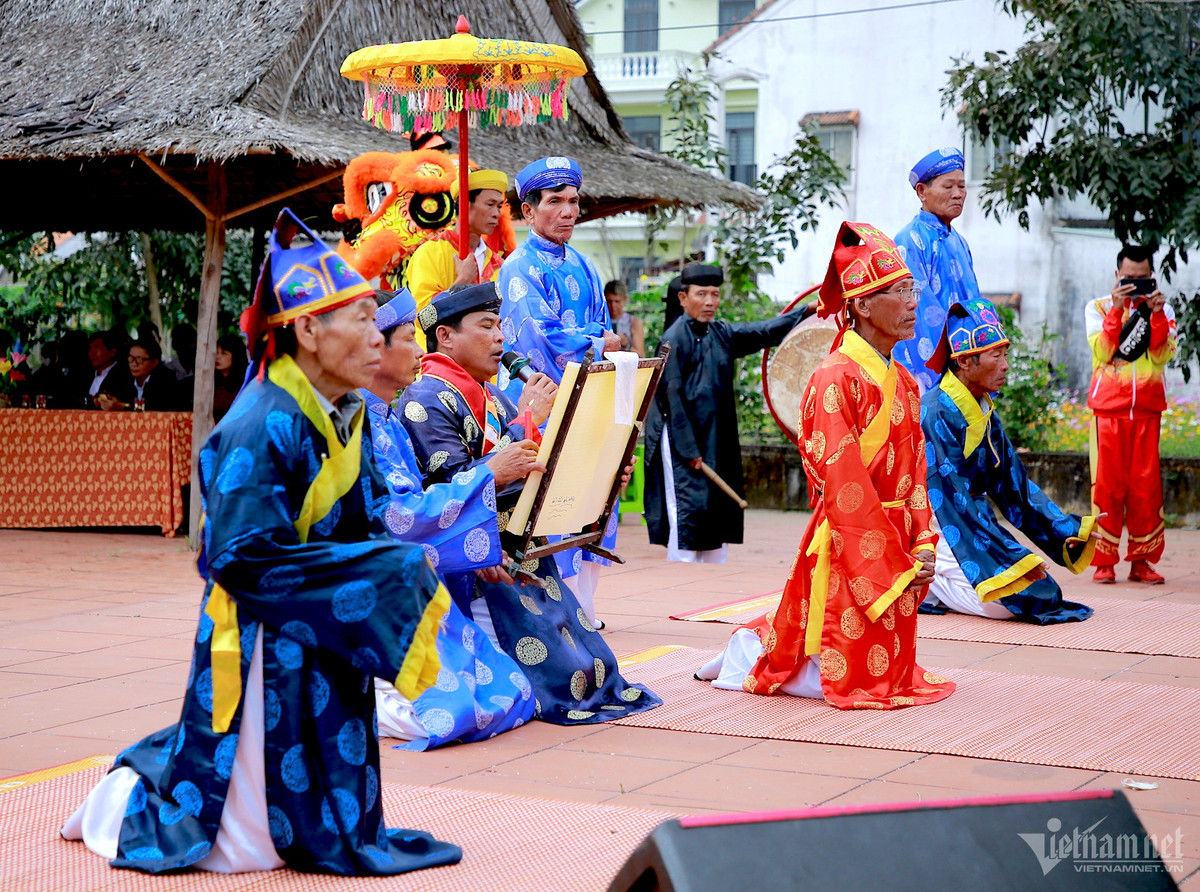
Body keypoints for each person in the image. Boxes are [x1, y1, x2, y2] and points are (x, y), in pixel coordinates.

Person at [61, 209, 461, 877]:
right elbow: (239, 557)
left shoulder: (346, 412)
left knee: (316, 803)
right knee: (240, 842)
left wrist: (390, 561)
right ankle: (117, 802)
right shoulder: (259, 422)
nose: (379, 337)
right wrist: (378, 573)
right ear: (308, 330)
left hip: (319, 623)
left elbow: (367, 518)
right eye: (362, 320)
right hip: (259, 639)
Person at [697, 222, 956, 710]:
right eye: (899, 292)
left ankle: (763, 644)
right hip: (851, 540)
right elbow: (843, 485)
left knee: (888, 672)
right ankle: (746, 650)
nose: (912, 303)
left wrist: (922, 540)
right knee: (833, 671)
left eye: (912, 291)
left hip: (896, 537)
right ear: (862, 306)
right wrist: (891, 557)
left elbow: (916, 473)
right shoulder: (833, 377)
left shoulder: (903, 381)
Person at [401, 282, 662, 724]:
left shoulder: (493, 396)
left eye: (500, 325)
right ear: (445, 336)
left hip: (524, 548)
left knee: (596, 665)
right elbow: (449, 487)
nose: (500, 337)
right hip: (480, 560)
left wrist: (602, 476)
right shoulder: (423, 400)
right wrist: (528, 422)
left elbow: (539, 470)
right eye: (486, 326)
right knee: (562, 676)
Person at [362, 288, 536, 748]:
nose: (419, 351)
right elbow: (397, 517)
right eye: (408, 339)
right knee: (458, 712)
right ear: (373, 348)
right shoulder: (401, 406)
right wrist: (489, 474)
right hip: (379, 584)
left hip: (424, 569)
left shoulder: (386, 416)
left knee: (516, 691)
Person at [496, 156, 622, 625]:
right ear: (528, 212)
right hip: (542, 400)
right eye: (555, 202)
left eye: (572, 201)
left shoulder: (585, 264)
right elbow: (538, 337)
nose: (568, 211)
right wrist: (598, 342)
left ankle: (585, 610)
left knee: (591, 498)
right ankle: (556, 611)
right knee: (552, 501)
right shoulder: (517, 267)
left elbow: (600, 327)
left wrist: (598, 343)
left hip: (585, 397)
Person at [920, 299, 1097, 623]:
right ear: (965, 361)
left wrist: (1066, 531)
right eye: (996, 356)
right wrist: (1007, 552)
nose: (1005, 366)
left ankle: (935, 582)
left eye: (1006, 355)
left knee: (1041, 593)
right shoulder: (935, 412)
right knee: (1006, 604)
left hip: (971, 520)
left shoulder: (983, 410)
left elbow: (1015, 487)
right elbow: (950, 499)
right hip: (937, 525)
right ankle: (926, 582)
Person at [643, 262, 805, 563]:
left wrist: (803, 313)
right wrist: (688, 449)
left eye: (714, 295)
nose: (709, 302)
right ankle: (681, 577)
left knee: (715, 509)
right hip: (683, 440)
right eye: (701, 294)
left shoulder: (721, 333)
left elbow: (762, 331)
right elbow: (671, 398)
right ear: (683, 298)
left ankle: (710, 580)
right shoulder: (673, 339)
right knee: (688, 510)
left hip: (715, 437)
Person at [1085, 244, 1178, 584]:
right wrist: (1117, 309)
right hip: (1108, 410)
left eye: (1142, 279)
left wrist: (1156, 314)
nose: (1136, 285)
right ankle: (1104, 561)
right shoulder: (1097, 307)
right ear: (1117, 275)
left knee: (1145, 488)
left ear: (1152, 277)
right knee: (1106, 487)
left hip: (1148, 410)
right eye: (1129, 278)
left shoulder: (1163, 310)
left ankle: (1142, 562)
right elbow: (1103, 351)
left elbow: (1162, 354)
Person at [892, 147, 980, 391]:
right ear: (922, 191)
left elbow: (973, 303)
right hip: (926, 372)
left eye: (962, 186)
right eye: (948, 186)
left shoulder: (960, 242)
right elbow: (918, 310)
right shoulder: (909, 240)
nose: (958, 194)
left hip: (964, 363)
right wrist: (950, 371)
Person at [405, 168, 511, 349]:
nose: (496, 213)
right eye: (490, 204)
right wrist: (462, 282)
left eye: (499, 206)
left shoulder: (498, 264)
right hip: (440, 358)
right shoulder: (431, 252)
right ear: (465, 205)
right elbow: (423, 317)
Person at [97, 339, 177, 411]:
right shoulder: (122, 373)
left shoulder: (166, 378)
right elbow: (105, 392)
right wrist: (103, 400)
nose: (134, 364)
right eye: (131, 358)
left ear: (154, 363)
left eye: (139, 360)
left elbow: (158, 407)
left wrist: (123, 406)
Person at [72, 329, 127, 408]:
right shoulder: (85, 374)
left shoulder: (123, 375)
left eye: (97, 348)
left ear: (112, 352)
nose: (91, 353)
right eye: (90, 348)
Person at [213, 333, 249, 420]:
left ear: (236, 355)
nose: (217, 357)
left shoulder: (246, 382)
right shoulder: (210, 381)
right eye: (216, 352)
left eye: (224, 353)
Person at [605, 279, 645, 356]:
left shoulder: (634, 322)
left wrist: (626, 345)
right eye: (609, 301)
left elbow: (640, 355)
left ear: (625, 300)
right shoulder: (601, 321)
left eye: (617, 301)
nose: (613, 306)